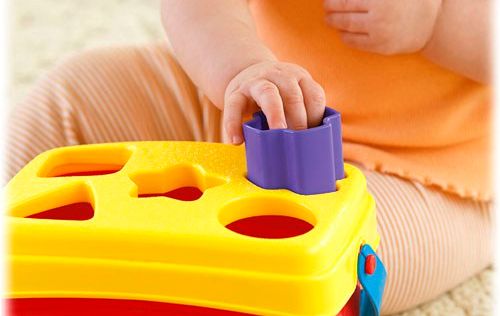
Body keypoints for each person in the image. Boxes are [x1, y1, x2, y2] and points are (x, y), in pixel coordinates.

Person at [6, 0, 492, 313]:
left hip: (425, 168)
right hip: (234, 96)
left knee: (329, 266)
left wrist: (439, 21)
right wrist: (241, 67)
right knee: (78, 92)